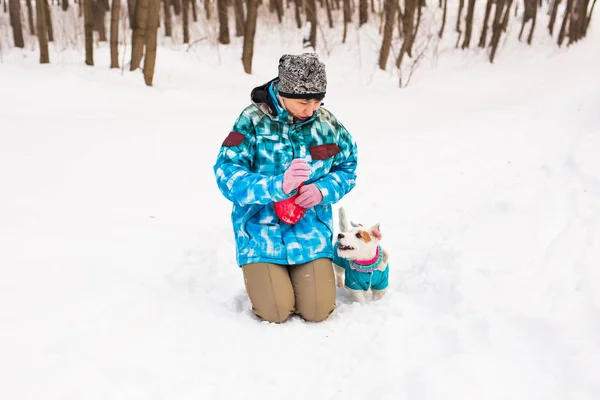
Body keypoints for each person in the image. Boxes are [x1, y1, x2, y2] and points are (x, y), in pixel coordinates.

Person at [213, 53, 358, 323]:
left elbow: (348, 166)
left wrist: (323, 190)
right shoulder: (250, 121)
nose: (311, 109)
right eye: (304, 101)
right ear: (283, 92)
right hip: (261, 232)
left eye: (317, 101)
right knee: (276, 311)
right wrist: (277, 185)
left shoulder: (327, 123)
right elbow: (226, 174)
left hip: (310, 232)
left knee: (317, 311)